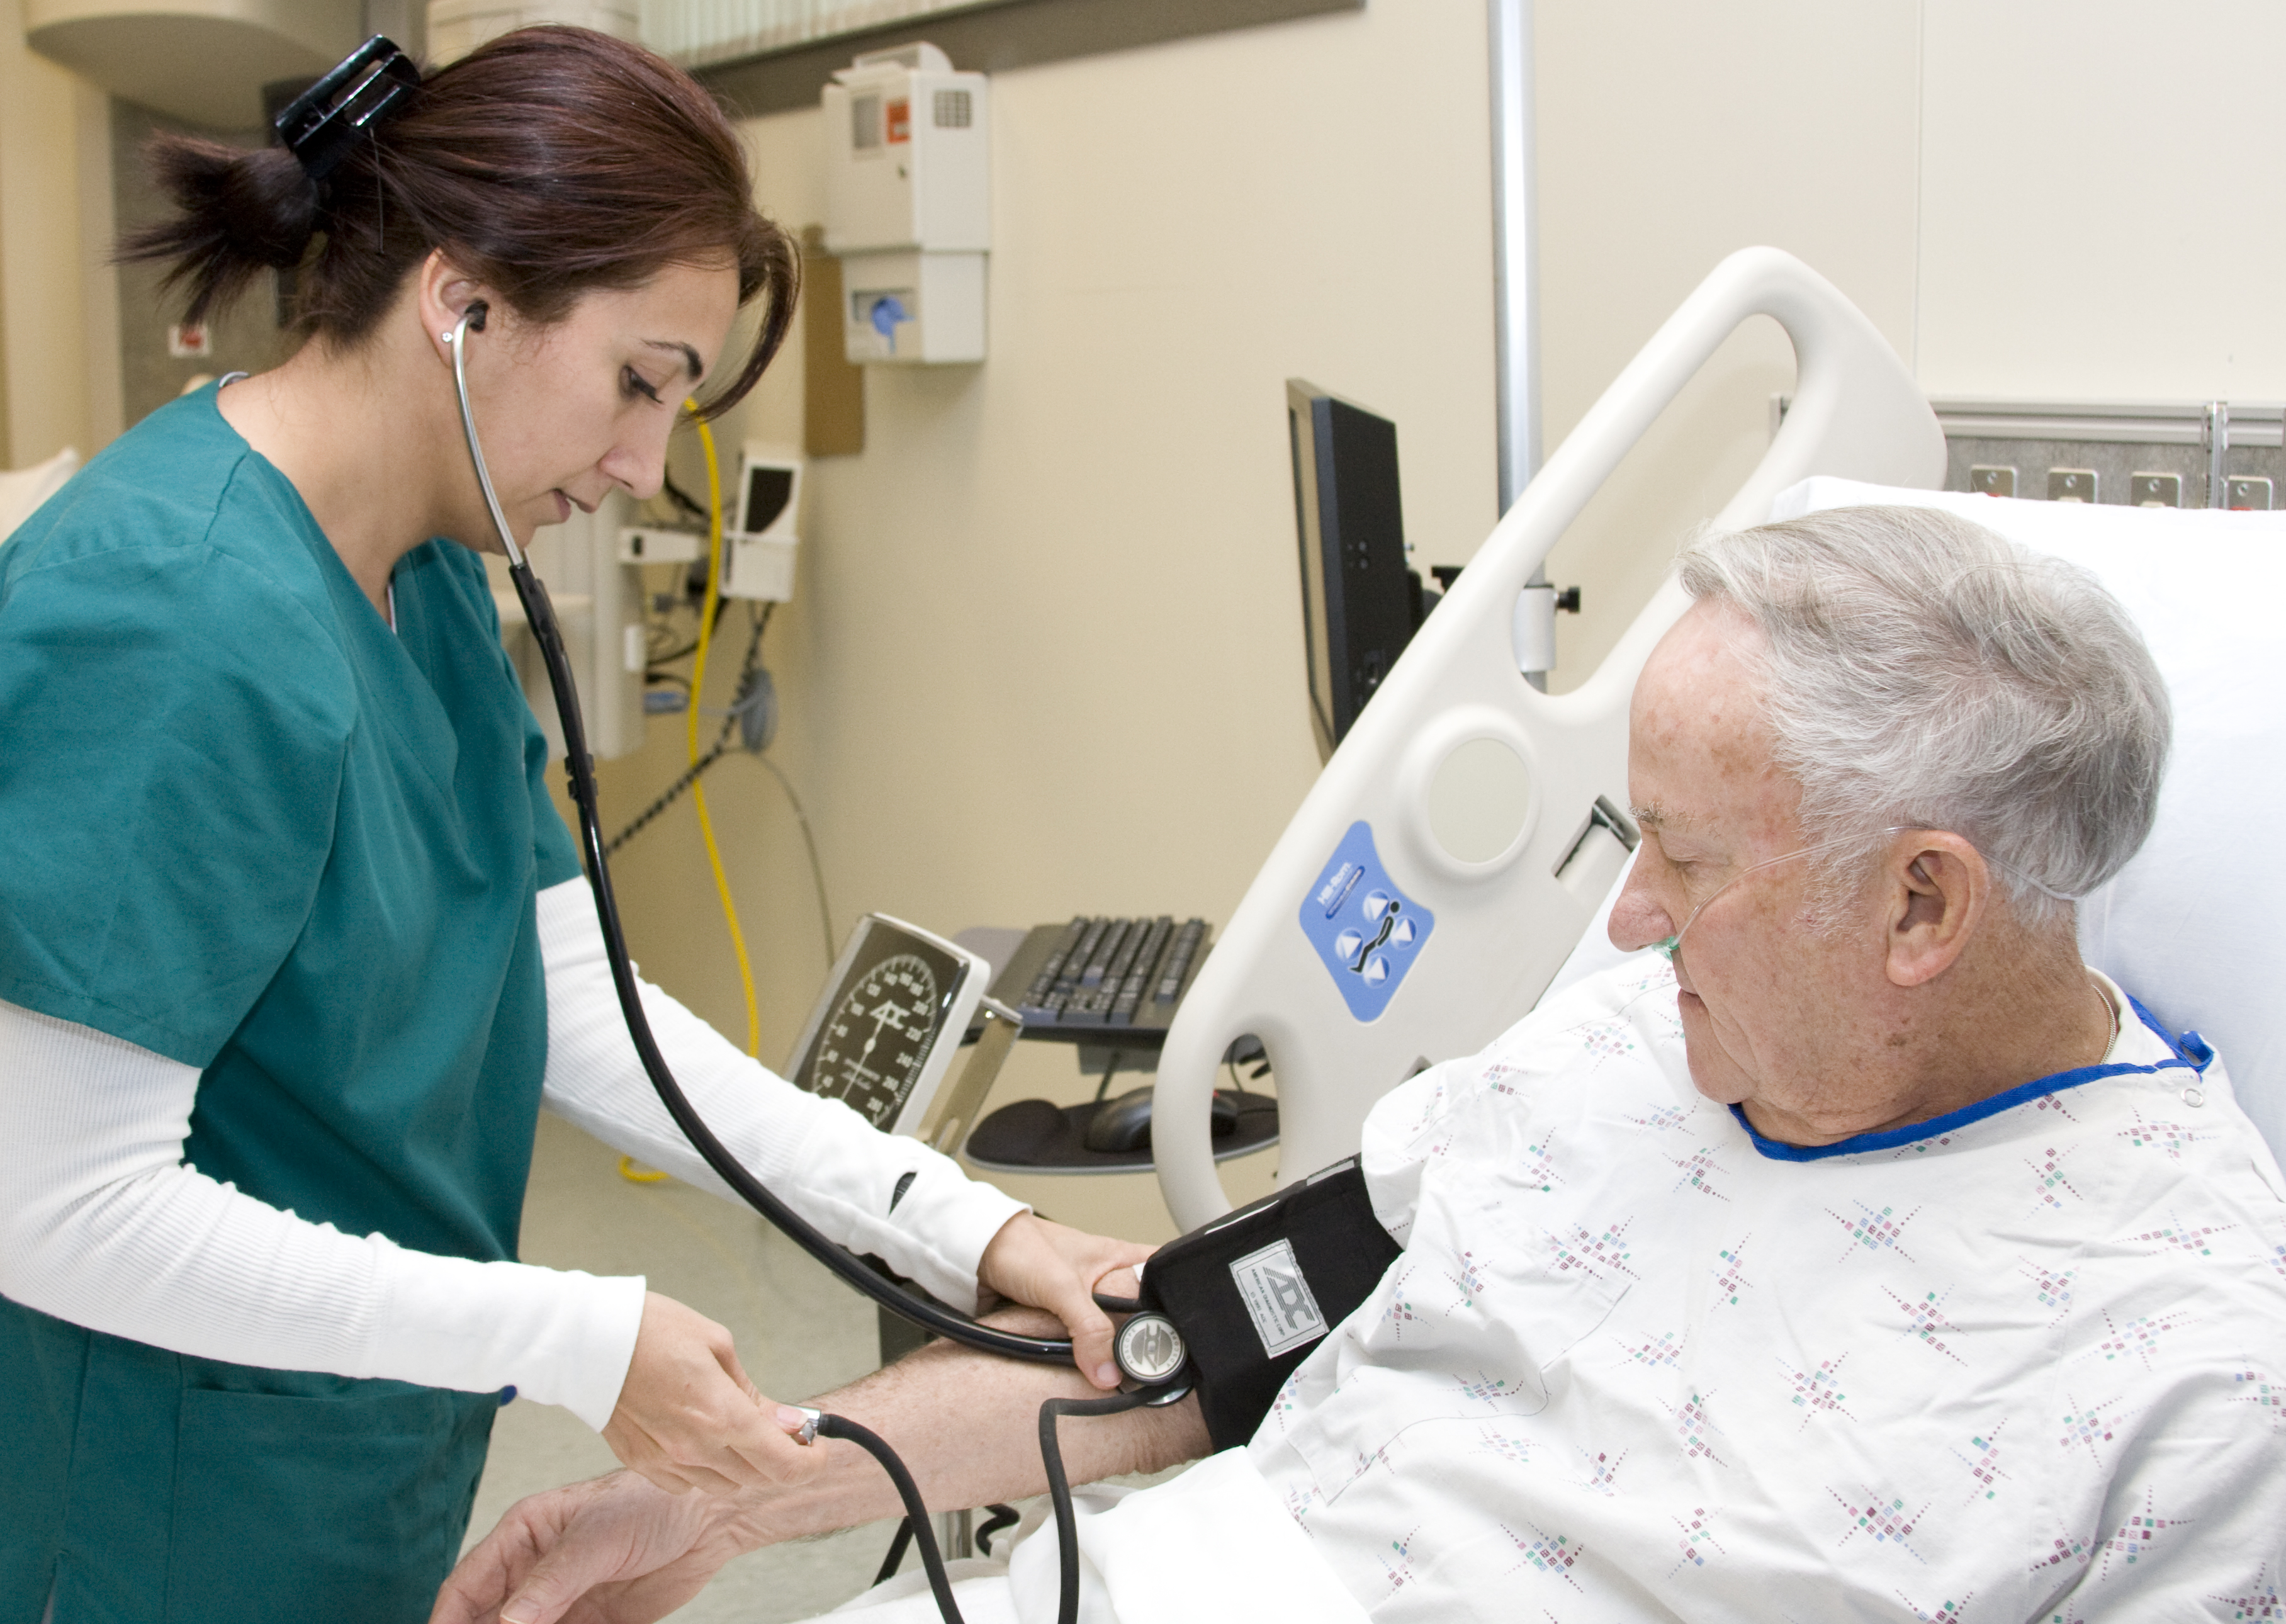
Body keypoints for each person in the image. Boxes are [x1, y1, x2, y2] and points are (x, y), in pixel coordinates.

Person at [436, 505, 2286, 1623]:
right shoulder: (1634, 1042)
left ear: (1922, 906)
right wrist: (738, 1485)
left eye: (1691, 861)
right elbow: (1187, 1343)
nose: (1626, 920)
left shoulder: (2185, 1379)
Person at [0, 28, 1144, 1624]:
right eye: (637, 383)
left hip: (337, 1455)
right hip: (143, 1518)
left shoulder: (420, 567)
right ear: (462, 304)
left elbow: (574, 1004)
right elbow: (53, 1207)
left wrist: (967, 1227)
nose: (638, 465)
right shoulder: (171, 612)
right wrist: (571, 1337)